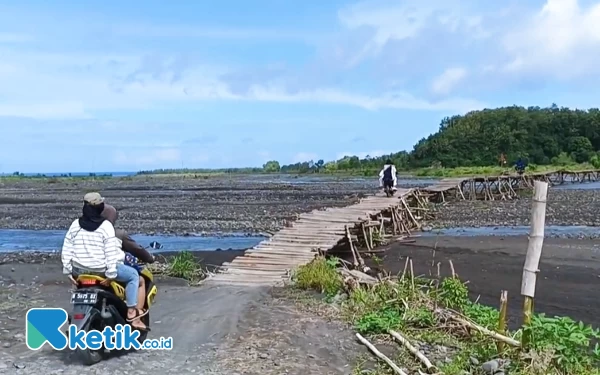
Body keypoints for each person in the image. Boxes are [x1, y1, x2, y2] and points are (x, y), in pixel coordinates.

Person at [61, 192, 148, 330]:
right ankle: (132, 311)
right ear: (100, 207)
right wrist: (111, 275)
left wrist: (68, 271)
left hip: (79, 271)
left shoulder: (75, 225)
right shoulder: (106, 226)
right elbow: (110, 253)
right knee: (133, 276)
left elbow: (67, 247)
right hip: (101, 271)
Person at [101, 204, 154, 317]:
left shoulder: (89, 231)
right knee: (137, 278)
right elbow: (137, 249)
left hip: (87, 269)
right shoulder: (118, 234)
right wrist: (149, 258)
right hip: (109, 268)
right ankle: (134, 313)